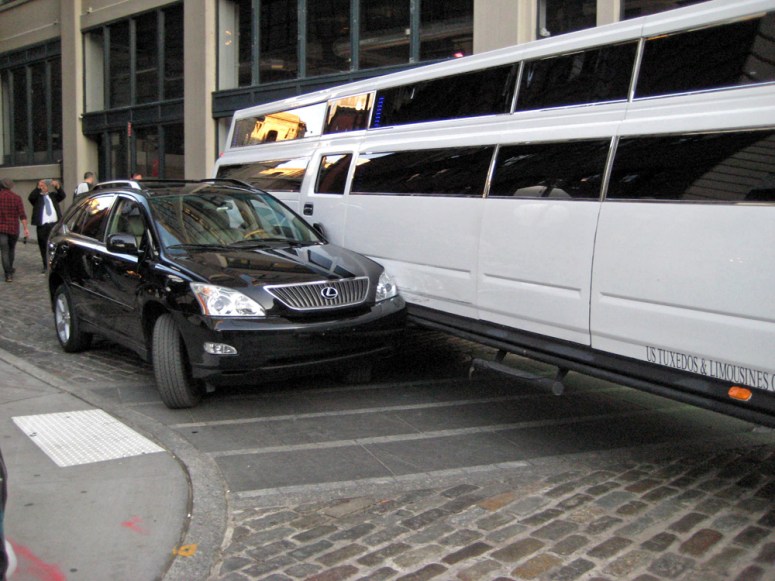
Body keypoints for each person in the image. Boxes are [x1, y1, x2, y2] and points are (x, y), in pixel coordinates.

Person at [29, 179, 65, 273]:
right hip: (43, 226)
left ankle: (55, 264)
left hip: (54, 224)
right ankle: (46, 265)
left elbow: (62, 196)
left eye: (45, 186)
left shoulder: (52, 196)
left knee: (56, 244)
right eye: (42, 186)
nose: (44, 187)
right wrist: (37, 189)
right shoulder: (37, 198)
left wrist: (57, 186)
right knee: (44, 246)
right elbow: (31, 198)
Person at [0, 178, 29, 283]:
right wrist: (26, 228)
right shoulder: (17, 198)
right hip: (13, 228)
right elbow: (22, 215)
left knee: (4, 251)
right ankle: (10, 269)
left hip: (1, 228)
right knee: (11, 249)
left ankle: (8, 274)